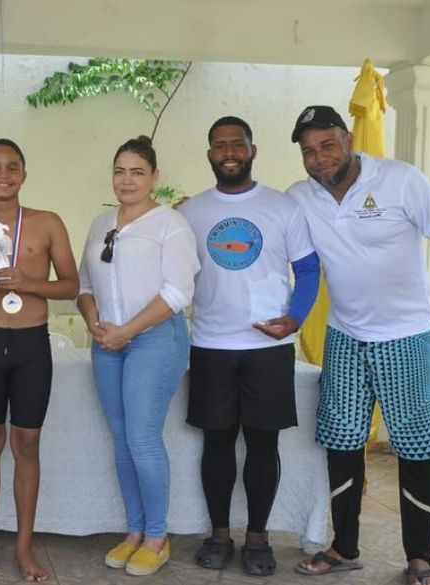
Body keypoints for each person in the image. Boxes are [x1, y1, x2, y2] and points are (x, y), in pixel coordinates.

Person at [287, 105, 430, 585]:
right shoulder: (300, 198)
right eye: (308, 151)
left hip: (405, 336)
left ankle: (419, 557)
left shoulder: (401, 180)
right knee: (341, 441)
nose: (319, 158)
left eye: (327, 145)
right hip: (345, 336)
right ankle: (344, 547)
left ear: (349, 138)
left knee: (417, 446)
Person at [178, 116, 319, 576]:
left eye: (237, 144)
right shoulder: (190, 213)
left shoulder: (283, 208)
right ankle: (219, 534)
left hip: (268, 348)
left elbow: (310, 270)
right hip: (211, 345)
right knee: (216, 443)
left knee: (263, 444)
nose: (229, 152)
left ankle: (257, 539)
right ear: (210, 155)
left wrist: (295, 317)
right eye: (220, 145)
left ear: (253, 150)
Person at [0, 139, 79, 582]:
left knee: (27, 445)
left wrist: (27, 282)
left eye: (12, 167)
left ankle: (24, 547)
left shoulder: (47, 224)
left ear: (24, 174)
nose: (3, 175)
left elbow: (70, 285)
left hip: (30, 346)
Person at [77, 136, 199, 576]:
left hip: (153, 339)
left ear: (154, 177)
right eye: (119, 171)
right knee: (122, 437)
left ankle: (157, 536)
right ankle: (134, 532)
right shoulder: (99, 222)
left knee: (144, 438)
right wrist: (96, 324)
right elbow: (85, 286)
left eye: (137, 172)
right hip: (106, 340)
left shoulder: (170, 224)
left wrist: (126, 331)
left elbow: (177, 292)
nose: (126, 180)